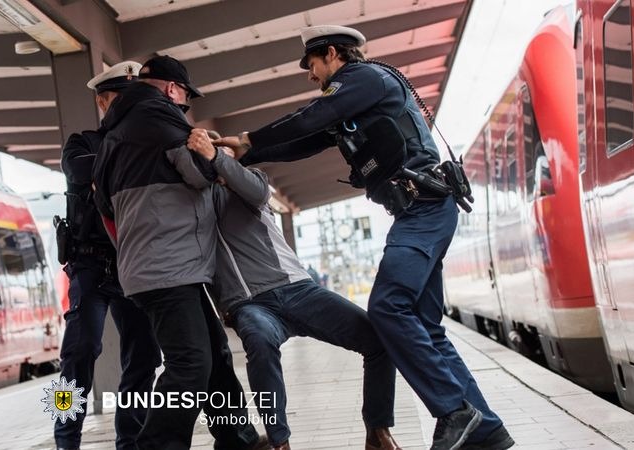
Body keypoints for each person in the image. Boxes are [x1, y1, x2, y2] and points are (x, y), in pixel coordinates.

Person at [215, 25, 513, 450]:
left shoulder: (365, 79)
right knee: (426, 329)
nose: (310, 75)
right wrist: (250, 152)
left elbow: (311, 117)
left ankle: (455, 412)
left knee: (388, 309)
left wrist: (249, 138)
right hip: (419, 210)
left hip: (424, 208)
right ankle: (485, 431)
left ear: (333, 54)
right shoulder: (354, 100)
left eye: (312, 65)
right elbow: (310, 138)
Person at [180, 137, 400, 450]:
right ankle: (280, 442)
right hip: (250, 305)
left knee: (378, 340)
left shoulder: (252, 183)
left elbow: (254, 190)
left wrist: (217, 156)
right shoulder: (193, 204)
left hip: (298, 289)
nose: (222, 161)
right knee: (259, 340)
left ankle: (377, 432)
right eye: (215, 158)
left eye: (226, 157)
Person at [92, 55, 267, 450]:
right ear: (173, 89)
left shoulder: (112, 137)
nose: (183, 108)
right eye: (184, 99)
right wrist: (213, 156)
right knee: (190, 365)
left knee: (214, 355)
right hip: (166, 265)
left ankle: (236, 438)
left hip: (157, 264)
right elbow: (199, 172)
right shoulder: (158, 112)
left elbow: (102, 203)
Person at [56, 61, 162, 450]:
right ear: (103, 102)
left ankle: (130, 439)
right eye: (120, 97)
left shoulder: (141, 139)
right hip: (89, 265)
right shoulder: (82, 143)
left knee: (145, 355)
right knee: (78, 354)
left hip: (133, 264)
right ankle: (64, 437)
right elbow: (79, 171)